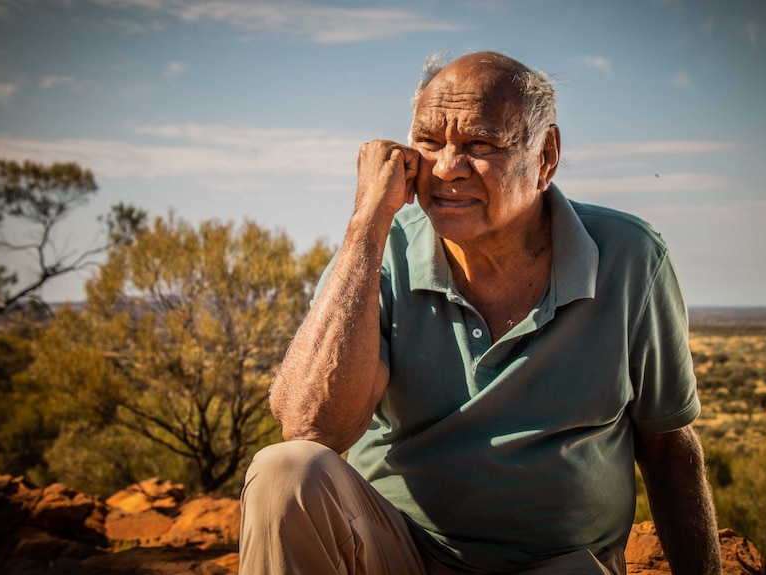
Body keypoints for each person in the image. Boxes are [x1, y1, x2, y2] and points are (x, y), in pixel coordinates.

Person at [239, 51, 720, 575]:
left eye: (480, 144)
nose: (446, 168)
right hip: (398, 554)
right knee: (286, 470)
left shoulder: (630, 258)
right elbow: (312, 427)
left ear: (546, 156)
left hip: (556, 564)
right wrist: (366, 223)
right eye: (428, 142)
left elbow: (670, 449)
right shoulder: (378, 253)